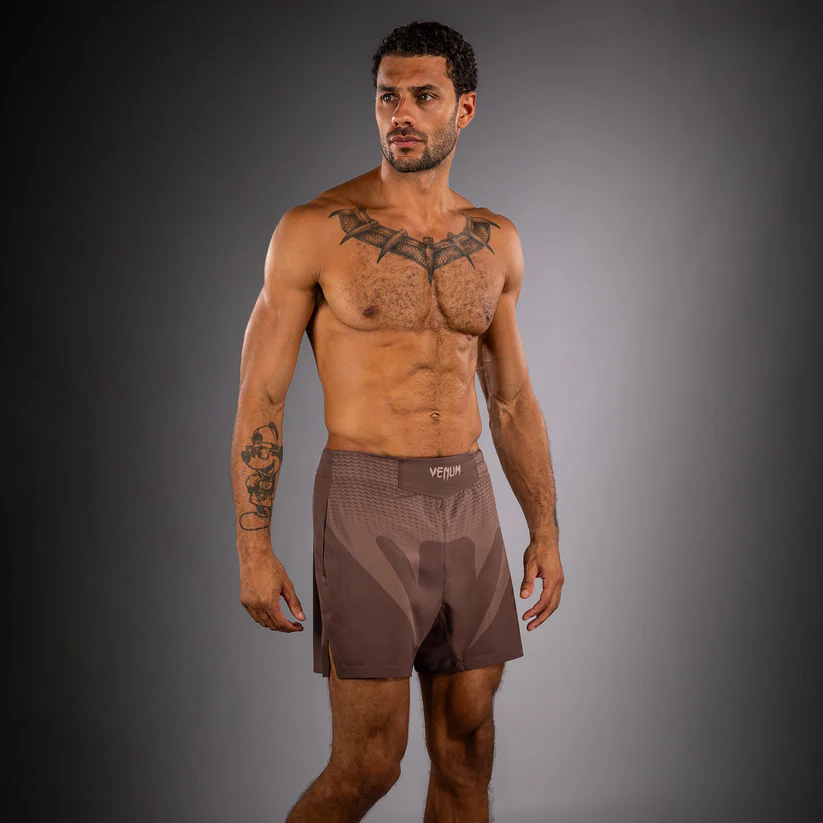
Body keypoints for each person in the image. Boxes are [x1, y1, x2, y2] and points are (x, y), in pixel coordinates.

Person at [229, 19, 563, 823]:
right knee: (370, 763)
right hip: (366, 501)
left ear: (464, 108)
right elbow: (260, 398)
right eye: (387, 98)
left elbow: (511, 397)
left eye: (422, 97)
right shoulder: (313, 230)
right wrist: (253, 547)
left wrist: (545, 529)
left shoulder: (494, 241)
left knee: (468, 743)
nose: (400, 114)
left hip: (468, 501)